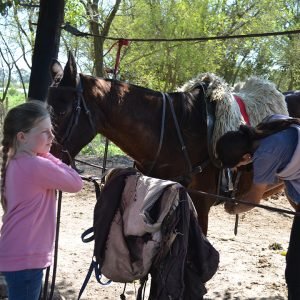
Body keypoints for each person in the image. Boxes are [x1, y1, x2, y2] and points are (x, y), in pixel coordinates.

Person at [0, 101, 83, 300]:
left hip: (18, 253)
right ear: (22, 137)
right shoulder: (36, 165)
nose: (52, 136)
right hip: (26, 258)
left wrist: (43, 154)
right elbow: (76, 183)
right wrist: (48, 156)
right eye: (45, 132)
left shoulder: (16, 161)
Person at [215, 114, 300, 300]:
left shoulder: (264, 155)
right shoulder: (268, 125)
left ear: (246, 157)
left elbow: (254, 200)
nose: (238, 169)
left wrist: (233, 208)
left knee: (295, 270)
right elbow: (276, 181)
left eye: (238, 165)